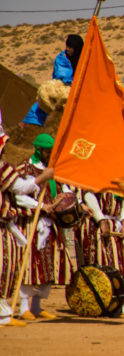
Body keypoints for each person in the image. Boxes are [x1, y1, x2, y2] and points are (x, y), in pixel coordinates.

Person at [15, 134, 75, 321]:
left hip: (51, 224)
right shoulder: (25, 168)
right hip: (33, 222)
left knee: (47, 266)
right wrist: (41, 207)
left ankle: (36, 306)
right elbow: (19, 195)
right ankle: (23, 307)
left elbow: (64, 191)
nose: (51, 154)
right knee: (30, 264)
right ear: (39, 150)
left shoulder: (54, 170)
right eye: (49, 151)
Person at [1, 161, 56, 327]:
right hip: (27, 222)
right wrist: (42, 180)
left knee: (42, 267)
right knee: (25, 266)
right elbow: (19, 191)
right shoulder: (21, 168)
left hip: (42, 222)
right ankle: (17, 309)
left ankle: (35, 306)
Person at [77, 190, 124, 316]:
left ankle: (121, 303)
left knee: (118, 264)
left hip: (114, 224)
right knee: (104, 265)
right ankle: (108, 304)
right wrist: (101, 220)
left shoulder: (114, 178)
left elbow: (120, 201)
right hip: (98, 226)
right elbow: (89, 196)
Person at [21, 34, 83, 126]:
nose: (68, 49)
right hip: (63, 87)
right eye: (67, 46)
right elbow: (61, 75)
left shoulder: (84, 58)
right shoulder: (62, 58)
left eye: (71, 47)